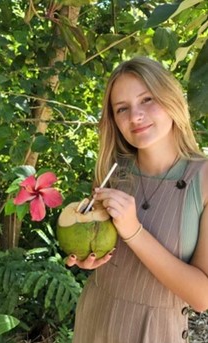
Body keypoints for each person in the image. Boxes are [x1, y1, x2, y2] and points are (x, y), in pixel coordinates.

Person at [66, 56, 208, 343]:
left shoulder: (203, 179)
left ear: (171, 99)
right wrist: (88, 257)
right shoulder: (111, 175)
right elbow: (103, 251)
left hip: (154, 331)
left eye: (146, 100)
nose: (135, 116)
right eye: (122, 109)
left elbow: (202, 297)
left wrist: (133, 231)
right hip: (95, 317)